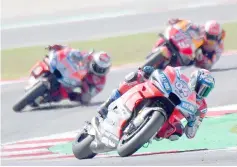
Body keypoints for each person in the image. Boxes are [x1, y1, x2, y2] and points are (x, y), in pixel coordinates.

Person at [96, 66, 215, 141]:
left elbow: (190, 134)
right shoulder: (182, 78)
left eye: (206, 90)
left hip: (170, 118)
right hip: (161, 96)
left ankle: (147, 133)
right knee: (136, 76)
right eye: (201, 87)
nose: (202, 92)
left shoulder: (202, 108)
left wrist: (192, 123)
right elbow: (168, 74)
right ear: (194, 81)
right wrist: (150, 71)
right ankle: (108, 103)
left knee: (177, 132)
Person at [36, 44, 112, 105]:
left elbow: (91, 94)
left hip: (71, 83)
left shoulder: (100, 82)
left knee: (61, 95)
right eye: (97, 67)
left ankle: (44, 99)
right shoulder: (88, 56)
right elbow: (72, 52)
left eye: (103, 69)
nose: (100, 71)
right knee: (48, 60)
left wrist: (85, 95)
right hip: (66, 71)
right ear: (93, 61)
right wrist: (58, 47)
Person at [148, 19, 226, 70]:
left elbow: (209, 65)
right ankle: (154, 52)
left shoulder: (219, 47)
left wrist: (202, 58)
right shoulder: (200, 29)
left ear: (218, 36)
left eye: (213, 36)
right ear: (205, 31)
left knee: (185, 62)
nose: (210, 38)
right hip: (184, 45)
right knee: (164, 38)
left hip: (191, 59)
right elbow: (188, 24)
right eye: (208, 35)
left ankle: (169, 66)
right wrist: (177, 21)